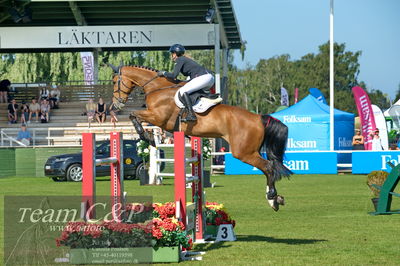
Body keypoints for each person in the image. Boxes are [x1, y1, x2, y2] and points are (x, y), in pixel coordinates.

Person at [158, 44, 214, 122]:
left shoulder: (180, 59)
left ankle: (191, 114)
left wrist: (164, 73)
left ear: (174, 54)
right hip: (208, 79)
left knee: (183, 91)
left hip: (203, 78)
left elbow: (174, 75)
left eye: (172, 54)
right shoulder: (184, 59)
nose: (171, 56)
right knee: (190, 90)